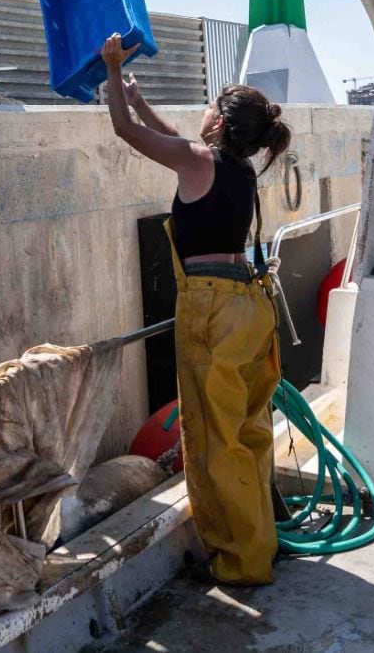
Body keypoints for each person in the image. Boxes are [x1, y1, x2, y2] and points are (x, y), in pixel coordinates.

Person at [100, 33, 292, 585]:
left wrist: (114, 71)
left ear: (220, 122)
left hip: (211, 308)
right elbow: (177, 145)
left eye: (209, 108)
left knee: (213, 439)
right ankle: (261, 542)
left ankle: (241, 564)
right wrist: (139, 100)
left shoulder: (198, 160)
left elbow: (124, 132)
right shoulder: (238, 170)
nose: (203, 114)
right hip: (252, 306)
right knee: (250, 432)